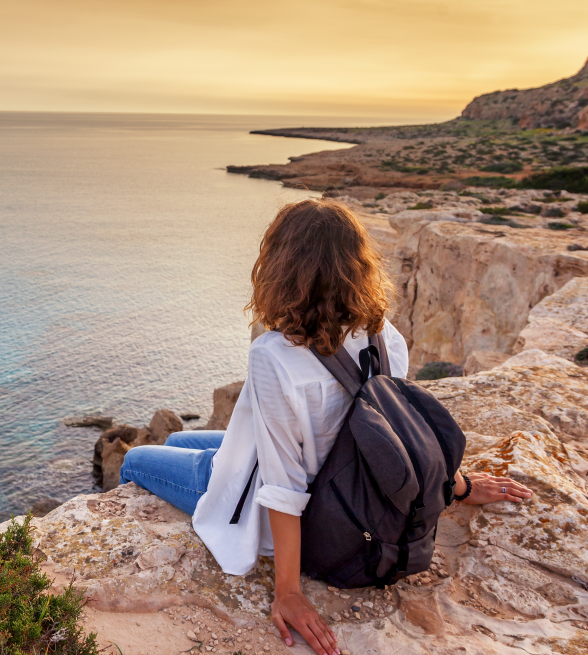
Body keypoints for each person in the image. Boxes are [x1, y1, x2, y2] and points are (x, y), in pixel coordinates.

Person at [120, 198, 531, 655]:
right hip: (343, 476)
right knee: (178, 437)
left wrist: (289, 592)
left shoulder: (274, 354)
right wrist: (458, 485)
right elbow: (401, 426)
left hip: (302, 507)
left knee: (135, 459)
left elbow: (283, 484)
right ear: (357, 266)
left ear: (280, 267)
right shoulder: (383, 335)